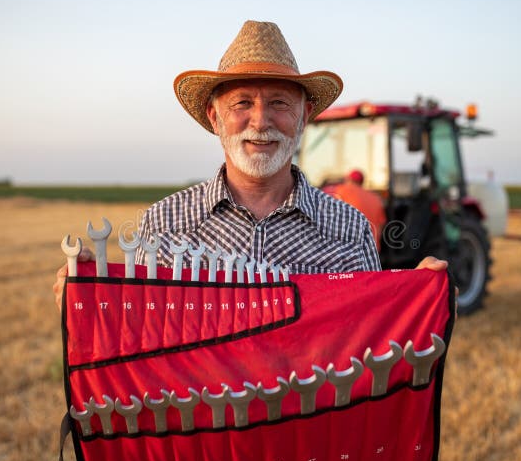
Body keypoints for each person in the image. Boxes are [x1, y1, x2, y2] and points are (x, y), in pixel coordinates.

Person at [53, 21, 445, 308]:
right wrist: (88, 303)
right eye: (242, 103)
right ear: (214, 116)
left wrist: (421, 301)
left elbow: (369, 340)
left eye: (279, 103)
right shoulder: (162, 226)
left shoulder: (351, 230)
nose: (260, 121)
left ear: (304, 116)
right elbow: (138, 339)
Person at [325, 169, 387, 250]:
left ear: (349, 180)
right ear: (361, 182)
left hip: (347, 250)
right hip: (371, 250)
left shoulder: (339, 191)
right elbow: (380, 227)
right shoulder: (375, 198)